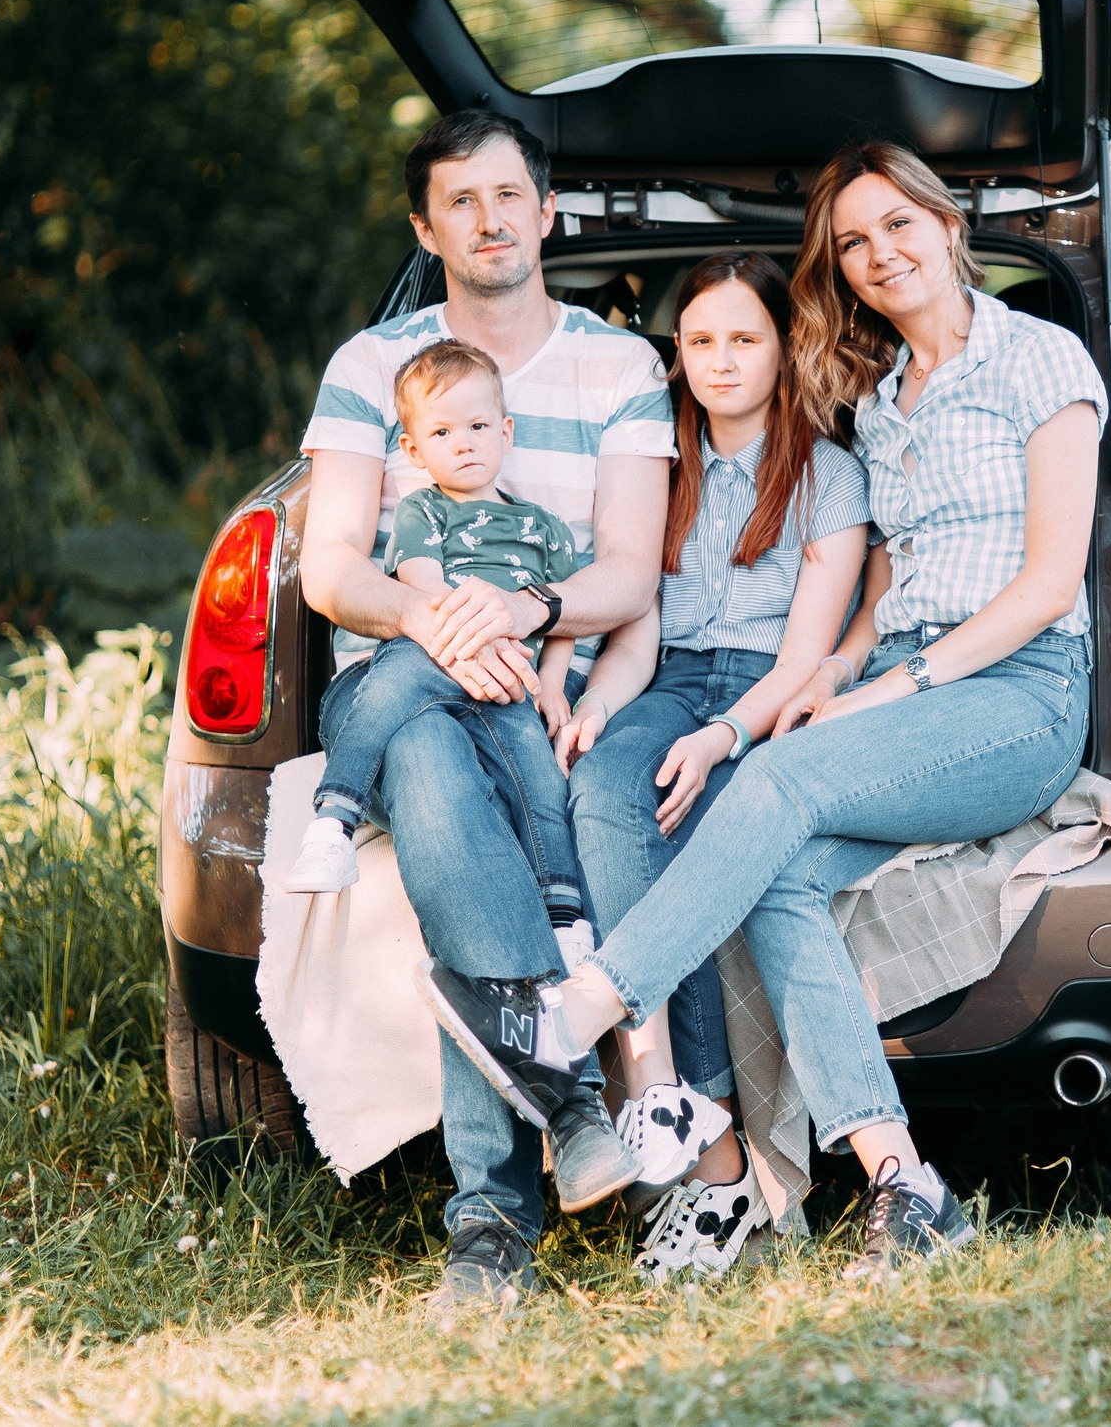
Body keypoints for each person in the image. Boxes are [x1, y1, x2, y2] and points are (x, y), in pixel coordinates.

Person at [424, 139, 1105, 1283]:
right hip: (899, 683)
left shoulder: (1043, 359)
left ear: (946, 225)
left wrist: (900, 681)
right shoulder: (883, 402)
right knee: (782, 869)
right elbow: (889, 578)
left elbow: (1047, 582)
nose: (880, 253)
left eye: (897, 225)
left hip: (1018, 690)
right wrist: (839, 669)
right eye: (852, 242)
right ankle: (906, 1182)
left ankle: (572, 1014)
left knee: (773, 782)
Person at [298, 109, 673, 1315]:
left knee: (451, 788)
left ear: (547, 211)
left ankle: (488, 1225)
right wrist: (434, 623)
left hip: (538, 675)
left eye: (508, 195)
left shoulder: (620, 366)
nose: (489, 217)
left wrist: (520, 615)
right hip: (409, 674)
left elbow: (629, 568)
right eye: (459, 200)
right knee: (421, 742)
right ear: (425, 226)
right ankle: (565, 1105)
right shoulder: (372, 364)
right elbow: (332, 567)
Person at [554, 251, 870, 1281]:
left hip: (759, 699)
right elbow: (631, 615)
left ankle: (714, 1160)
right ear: (674, 351)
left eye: (745, 338)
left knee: (698, 838)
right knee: (606, 793)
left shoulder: (829, 472)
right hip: (657, 675)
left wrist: (725, 734)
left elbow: (805, 658)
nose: (722, 361)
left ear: (784, 348)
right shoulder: (654, 458)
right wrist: (600, 703)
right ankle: (688, 1123)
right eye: (699, 341)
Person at [288, 341, 588, 939]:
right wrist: (473, 642)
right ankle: (334, 818)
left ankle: (565, 916)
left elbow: (561, 616)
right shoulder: (423, 512)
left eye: (478, 426)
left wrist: (552, 684)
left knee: (538, 768)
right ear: (413, 450)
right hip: (436, 652)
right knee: (387, 685)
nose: (465, 442)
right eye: (443, 432)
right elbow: (424, 595)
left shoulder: (543, 527)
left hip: (511, 677)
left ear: (505, 432)